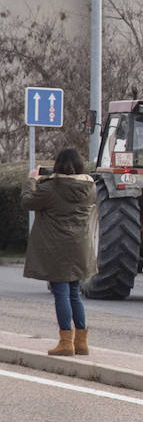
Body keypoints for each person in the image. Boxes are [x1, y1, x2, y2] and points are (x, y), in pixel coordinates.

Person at [22, 148, 98, 356]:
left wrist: (32, 180)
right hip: (79, 246)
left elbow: (28, 201)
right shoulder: (90, 187)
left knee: (61, 293)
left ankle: (65, 342)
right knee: (75, 293)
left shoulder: (50, 188)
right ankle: (81, 342)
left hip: (56, 247)